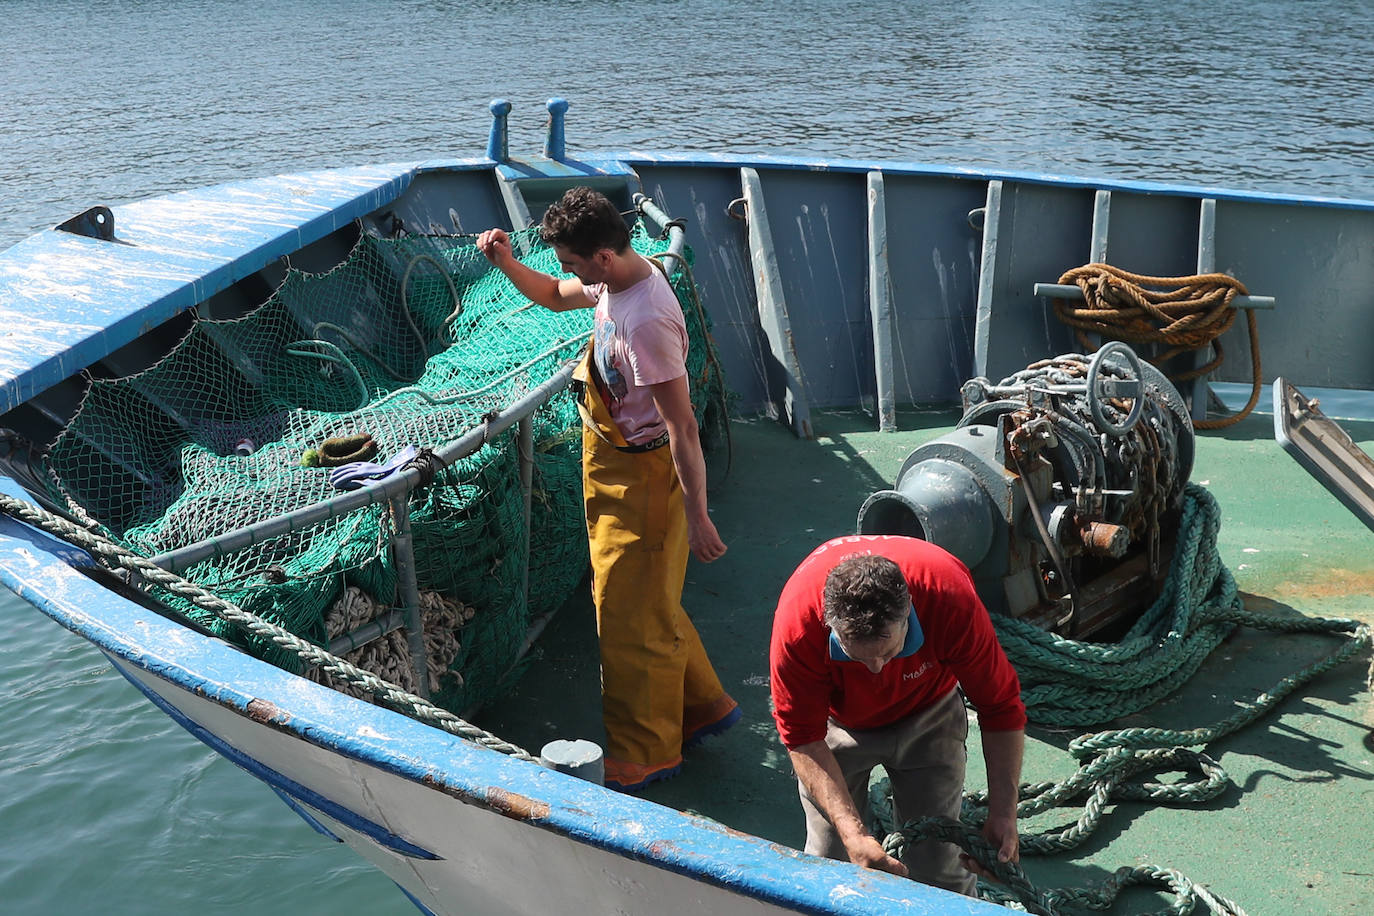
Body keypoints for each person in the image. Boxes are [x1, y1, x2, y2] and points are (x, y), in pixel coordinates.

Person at [476, 187, 739, 792]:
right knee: (642, 600)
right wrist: (507, 261)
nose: (565, 271)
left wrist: (697, 516)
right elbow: (549, 295)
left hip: (647, 478)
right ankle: (703, 707)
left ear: (602, 255)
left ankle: (645, 752)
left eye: (570, 261)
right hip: (611, 464)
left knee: (627, 617)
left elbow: (683, 427)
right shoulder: (611, 282)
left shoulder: (646, 318)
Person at [769, 534, 1025, 895]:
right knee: (830, 865)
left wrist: (1003, 813)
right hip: (836, 725)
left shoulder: (948, 598)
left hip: (928, 711)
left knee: (941, 871)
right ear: (829, 624)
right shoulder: (799, 624)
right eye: (856, 657)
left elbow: (1000, 706)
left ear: (910, 614)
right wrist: (853, 833)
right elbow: (801, 735)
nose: (875, 671)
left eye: (889, 653)